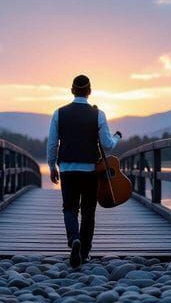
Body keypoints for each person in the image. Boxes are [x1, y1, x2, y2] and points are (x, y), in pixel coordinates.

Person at [47, 74, 123, 269]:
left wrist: (51, 165)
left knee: (69, 208)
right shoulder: (98, 114)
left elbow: (52, 144)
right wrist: (116, 138)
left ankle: (74, 240)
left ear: (72, 91)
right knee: (89, 211)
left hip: (67, 168)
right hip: (90, 170)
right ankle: (85, 252)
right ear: (89, 92)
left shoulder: (59, 113)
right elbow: (107, 146)